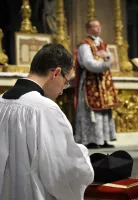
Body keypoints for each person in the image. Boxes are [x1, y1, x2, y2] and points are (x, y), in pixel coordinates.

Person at [0, 43, 94, 200]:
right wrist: (83, 156)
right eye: (66, 81)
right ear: (56, 73)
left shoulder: (1, 101)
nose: (62, 90)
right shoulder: (44, 109)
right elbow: (62, 172)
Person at [74, 19, 118, 149]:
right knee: (91, 111)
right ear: (88, 29)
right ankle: (91, 140)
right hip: (90, 81)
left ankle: (104, 139)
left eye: (99, 26)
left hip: (103, 83)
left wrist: (105, 58)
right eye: (95, 26)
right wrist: (105, 63)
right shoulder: (84, 45)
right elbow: (89, 64)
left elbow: (112, 59)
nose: (98, 29)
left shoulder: (103, 45)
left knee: (104, 110)